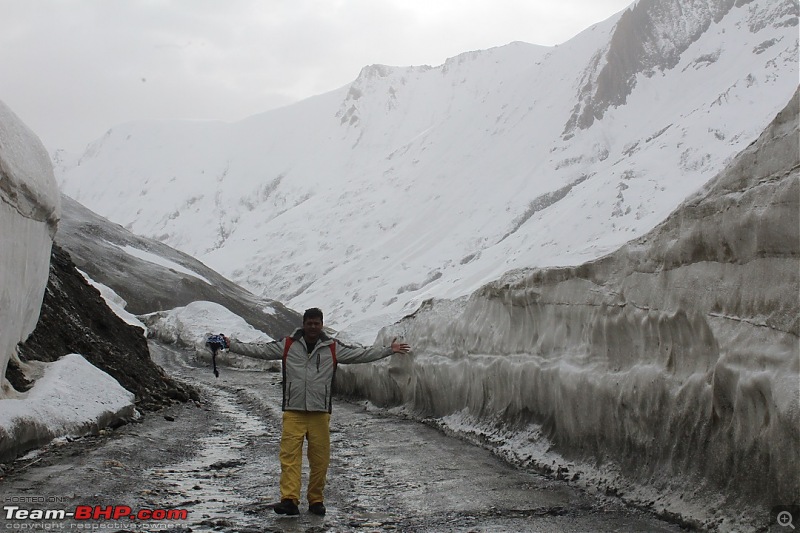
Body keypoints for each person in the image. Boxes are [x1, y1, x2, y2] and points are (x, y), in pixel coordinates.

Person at [228, 307, 411, 516]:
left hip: (320, 412)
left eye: (316, 323)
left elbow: (360, 354)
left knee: (320, 459)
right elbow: (258, 350)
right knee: (289, 457)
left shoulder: (332, 347)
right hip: (293, 410)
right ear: (303, 324)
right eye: (309, 323)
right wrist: (229, 345)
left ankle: (316, 500)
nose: (313, 327)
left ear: (321, 325)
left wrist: (389, 349)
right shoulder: (288, 344)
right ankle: (289, 500)